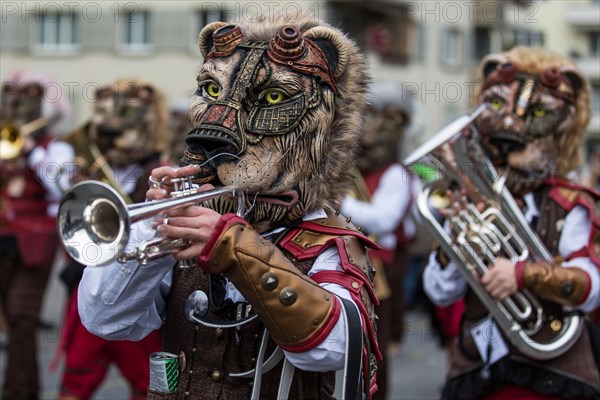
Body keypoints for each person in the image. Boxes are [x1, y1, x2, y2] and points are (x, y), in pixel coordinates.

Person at [77, 15, 381, 399]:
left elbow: (330, 349)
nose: (215, 127)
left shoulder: (329, 244)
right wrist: (152, 226)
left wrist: (234, 249)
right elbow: (104, 320)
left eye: (272, 97)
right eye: (209, 90)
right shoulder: (186, 227)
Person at [422, 47, 600, 399]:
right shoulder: (470, 201)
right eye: (499, 109)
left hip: (553, 367)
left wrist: (520, 275)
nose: (510, 128)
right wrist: (454, 244)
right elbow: (440, 292)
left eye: (535, 114)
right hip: (478, 364)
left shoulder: (572, 203)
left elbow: (590, 287)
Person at [56, 79, 165, 400]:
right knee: (78, 370)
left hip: (138, 289)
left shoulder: (158, 168)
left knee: (146, 379)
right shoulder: (83, 164)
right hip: (86, 281)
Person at [340, 81, 417, 399]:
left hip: (379, 271)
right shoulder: (352, 167)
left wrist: (333, 199)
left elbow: (384, 221)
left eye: (388, 119)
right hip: (345, 266)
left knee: (374, 352)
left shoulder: (398, 173)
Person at [0, 71, 73, 400]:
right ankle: (23, 390)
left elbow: (58, 184)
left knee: (22, 316)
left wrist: (31, 151)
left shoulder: (57, 147)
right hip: (4, 239)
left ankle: (17, 391)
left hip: (36, 245)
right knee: (12, 322)